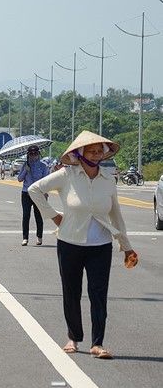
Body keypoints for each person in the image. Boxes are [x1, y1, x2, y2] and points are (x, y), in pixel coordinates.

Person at [28, 131, 138, 360]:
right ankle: (73, 337)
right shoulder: (66, 175)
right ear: (80, 154)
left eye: (100, 151)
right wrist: (55, 217)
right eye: (92, 151)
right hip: (70, 242)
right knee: (72, 291)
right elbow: (34, 189)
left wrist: (126, 246)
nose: (97, 155)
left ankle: (97, 343)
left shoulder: (108, 180)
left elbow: (116, 215)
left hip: (101, 245)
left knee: (99, 293)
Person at [18, 146, 48, 246]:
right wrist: (26, 170)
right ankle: (25, 238)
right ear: (28, 155)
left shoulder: (43, 166)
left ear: (38, 154)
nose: (33, 156)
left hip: (38, 193)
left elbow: (46, 181)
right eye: (31, 154)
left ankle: (39, 237)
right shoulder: (25, 165)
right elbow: (19, 179)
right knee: (26, 215)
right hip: (26, 193)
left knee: (38, 215)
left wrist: (44, 192)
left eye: (35, 154)